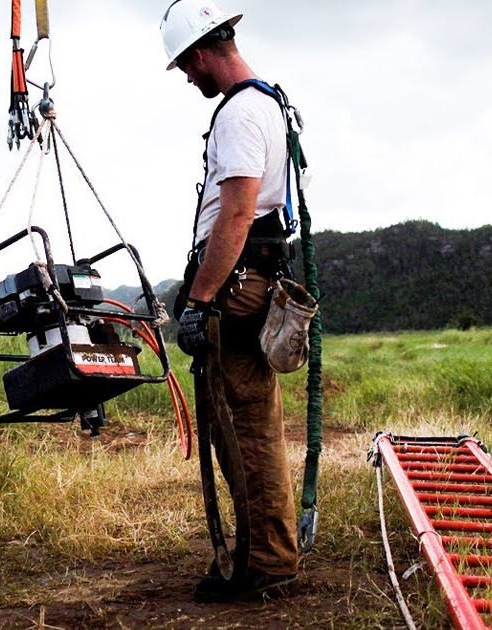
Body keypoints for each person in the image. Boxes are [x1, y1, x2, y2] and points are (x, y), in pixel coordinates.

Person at [159, 0, 301, 601]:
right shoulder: (265, 103)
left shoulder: (241, 113)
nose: (188, 79)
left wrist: (201, 298)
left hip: (238, 288)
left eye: (186, 68)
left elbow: (239, 212)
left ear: (200, 54)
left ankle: (267, 569)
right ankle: (261, 557)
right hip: (250, 283)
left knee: (245, 429)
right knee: (241, 427)